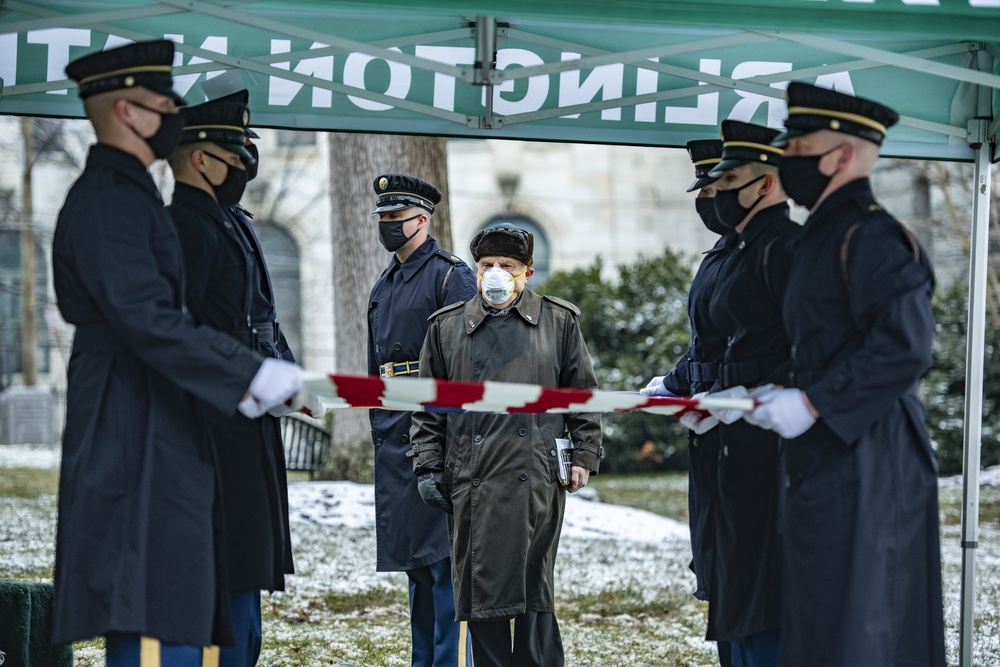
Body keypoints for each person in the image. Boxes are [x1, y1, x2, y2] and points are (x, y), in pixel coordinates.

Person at [51, 40, 302, 666]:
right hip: (131, 416)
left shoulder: (127, 192)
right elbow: (151, 321)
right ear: (128, 111)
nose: (173, 112)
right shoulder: (110, 198)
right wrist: (250, 372)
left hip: (155, 409)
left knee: (173, 588)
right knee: (152, 590)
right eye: (163, 101)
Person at [746, 81, 946, 666]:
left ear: (843, 155)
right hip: (832, 450)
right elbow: (825, 342)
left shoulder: (871, 234)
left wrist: (811, 404)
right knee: (824, 613)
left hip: (872, 450)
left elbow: (904, 347)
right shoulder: (824, 234)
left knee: (864, 621)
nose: (789, 155)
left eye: (802, 142)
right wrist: (772, 387)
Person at [409, 224, 604, 667]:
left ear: (527, 273)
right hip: (471, 476)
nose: (495, 274)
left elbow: (583, 393)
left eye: (507, 266)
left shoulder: (559, 321)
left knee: (534, 586)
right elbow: (426, 405)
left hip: (535, 475)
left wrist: (585, 454)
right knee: (483, 591)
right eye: (487, 265)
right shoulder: (446, 328)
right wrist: (426, 465)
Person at [167, 94, 295, 667]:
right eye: (237, 149)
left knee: (245, 563)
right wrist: (250, 378)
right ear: (200, 157)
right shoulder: (186, 228)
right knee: (224, 566)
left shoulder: (227, 223)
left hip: (246, 422)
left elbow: (258, 316)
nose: (247, 162)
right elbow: (183, 333)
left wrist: (286, 374)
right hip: (213, 429)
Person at [699, 120, 799, 667]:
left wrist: (760, 391)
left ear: (764, 183)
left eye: (730, 178)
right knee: (737, 578)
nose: (718, 192)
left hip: (775, 445)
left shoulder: (786, 248)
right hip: (737, 437)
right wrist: (704, 395)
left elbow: (804, 346)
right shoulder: (739, 249)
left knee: (766, 585)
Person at [367, 174, 477, 667]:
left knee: (443, 566)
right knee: (416, 566)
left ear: (422, 220)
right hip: (395, 435)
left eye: (397, 217)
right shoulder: (383, 284)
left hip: (441, 434)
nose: (388, 225)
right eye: (383, 218)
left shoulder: (450, 276)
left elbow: (467, 361)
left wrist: (449, 443)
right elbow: (375, 365)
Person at [639, 138, 733, 666]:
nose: (708, 199)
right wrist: (671, 385)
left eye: (717, 186)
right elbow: (707, 343)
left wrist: (718, 396)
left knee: (748, 582)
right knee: (722, 577)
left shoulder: (764, 253)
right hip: (717, 443)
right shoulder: (722, 254)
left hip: (750, 444)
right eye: (704, 188)